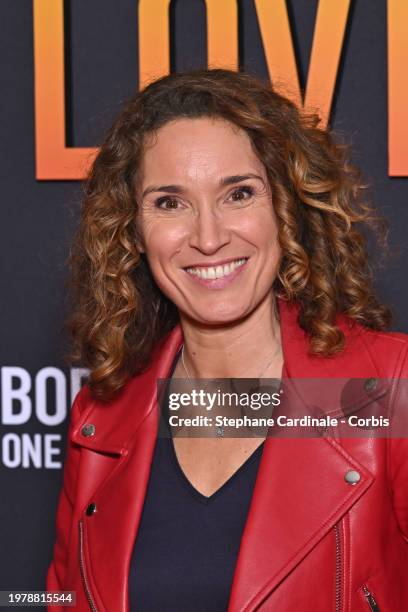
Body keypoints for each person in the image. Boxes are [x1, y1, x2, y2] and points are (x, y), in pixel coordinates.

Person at [47, 68, 408, 611]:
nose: (209, 238)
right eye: (170, 203)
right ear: (132, 230)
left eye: (238, 194)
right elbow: (60, 599)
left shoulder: (384, 392)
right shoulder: (105, 415)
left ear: (284, 208)